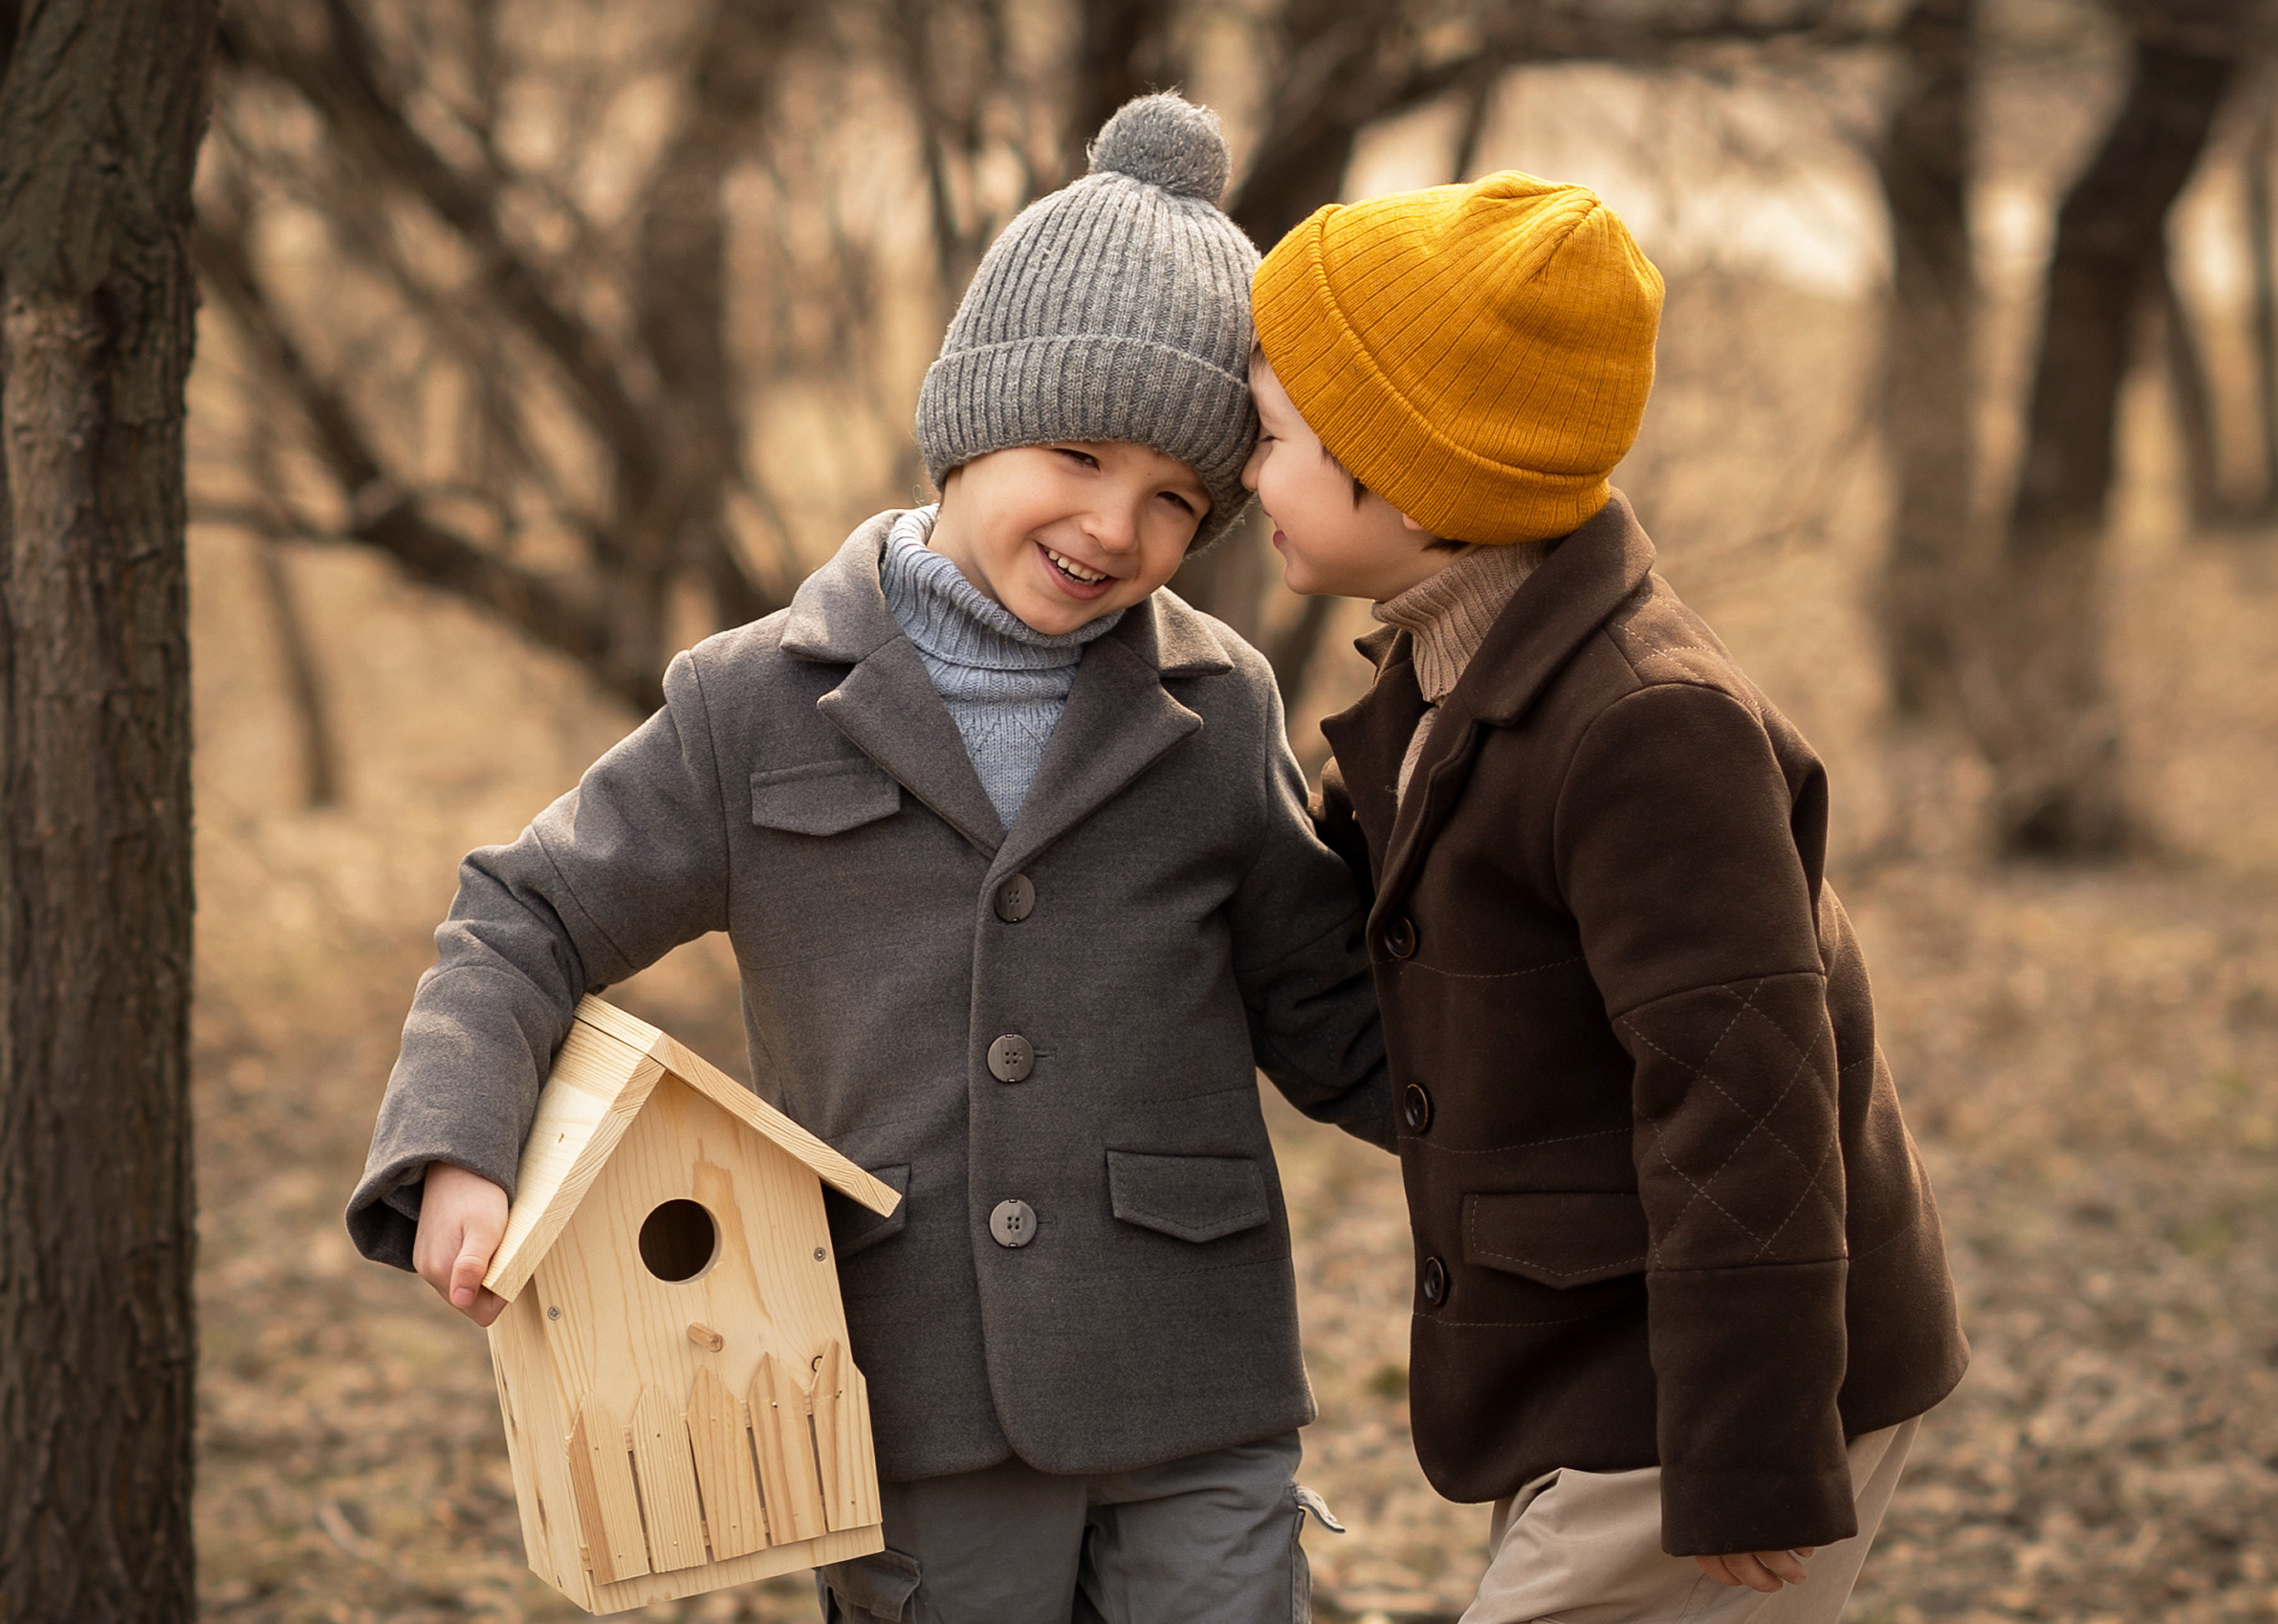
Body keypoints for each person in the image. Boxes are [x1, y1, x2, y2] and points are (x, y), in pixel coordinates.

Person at [347, 94, 1388, 1624]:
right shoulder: (752, 704)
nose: (1116, 523)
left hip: (1194, 1373)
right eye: (1078, 451)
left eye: (1179, 497)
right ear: (967, 422)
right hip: (910, 1388)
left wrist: (1541, 1142)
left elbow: (1333, 1012)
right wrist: (460, 1144)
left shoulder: (1214, 699)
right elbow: (524, 913)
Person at [1242, 172, 1968, 1623]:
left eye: (1272, 439)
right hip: (1595, 1354)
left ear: (1404, 467)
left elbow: (1745, 1094)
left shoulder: (1647, 726)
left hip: (1712, 1380)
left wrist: (1749, 1448)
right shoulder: (1455, 665)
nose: (1243, 473)